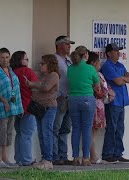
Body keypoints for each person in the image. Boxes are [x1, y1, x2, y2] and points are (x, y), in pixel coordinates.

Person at [0, 48, 23, 168]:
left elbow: (15, 90)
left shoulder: (11, 71)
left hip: (12, 108)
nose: (5, 60)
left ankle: (5, 158)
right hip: (0, 109)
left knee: (8, 134)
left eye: (7, 57)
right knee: (0, 134)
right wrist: (4, 101)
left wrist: (19, 107)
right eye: (2, 57)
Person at [101, 43, 129, 163]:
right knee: (112, 128)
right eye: (115, 51)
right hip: (113, 101)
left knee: (120, 128)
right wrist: (123, 79)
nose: (118, 53)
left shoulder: (120, 65)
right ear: (109, 53)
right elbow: (119, 82)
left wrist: (123, 79)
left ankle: (118, 153)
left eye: (118, 51)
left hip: (122, 101)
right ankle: (108, 154)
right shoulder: (107, 66)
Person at [67, 47, 100, 166]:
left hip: (72, 99)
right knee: (86, 129)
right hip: (87, 99)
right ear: (85, 55)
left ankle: (75, 157)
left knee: (76, 129)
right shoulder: (90, 68)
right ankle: (86, 158)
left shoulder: (70, 68)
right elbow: (97, 86)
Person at [27, 54, 59, 170]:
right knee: (40, 134)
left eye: (42, 63)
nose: (40, 65)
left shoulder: (54, 75)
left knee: (47, 133)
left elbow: (46, 87)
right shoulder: (40, 76)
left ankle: (48, 159)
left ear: (50, 64)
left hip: (49, 107)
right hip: (39, 108)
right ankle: (43, 158)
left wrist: (32, 84)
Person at [10, 51, 38, 166]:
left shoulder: (12, 73)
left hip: (16, 108)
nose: (28, 61)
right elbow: (36, 88)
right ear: (21, 60)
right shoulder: (28, 72)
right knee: (27, 134)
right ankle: (27, 159)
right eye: (26, 59)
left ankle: (19, 159)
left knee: (19, 134)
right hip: (28, 107)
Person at [87, 51, 115, 164]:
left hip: (100, 105)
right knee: (91, 131)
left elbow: (105, 86)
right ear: (93, 63)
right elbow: (97, 90)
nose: (100, 65)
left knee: (95, 131)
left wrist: (110, 92)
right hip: (94, 104)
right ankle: (92, 156)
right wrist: (106, 94)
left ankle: (93, 155)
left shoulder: (99, 74)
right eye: (98, 62)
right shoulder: (92, 74)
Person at [53, 35, 74, 165]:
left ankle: (63, 155)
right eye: (66, 44)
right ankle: (55, 156)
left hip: (69, 98)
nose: (69, 46)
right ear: (59, 45)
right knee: (56, 128)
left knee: (65, 129)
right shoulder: (54, 59)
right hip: (59, 98)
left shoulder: (69, 60)